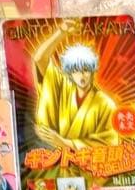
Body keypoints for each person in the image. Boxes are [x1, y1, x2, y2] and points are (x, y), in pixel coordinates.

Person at [32, 19, 120, 150]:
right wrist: (60, 32)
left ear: (92, 71)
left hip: (90, 161)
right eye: (76, 70)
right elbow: (40, 59)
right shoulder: (63, 87)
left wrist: (64, 143)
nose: (81, 75)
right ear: (70, 73)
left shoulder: (106, 104)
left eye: (86, 70)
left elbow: (110, 143)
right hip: (59, 158)